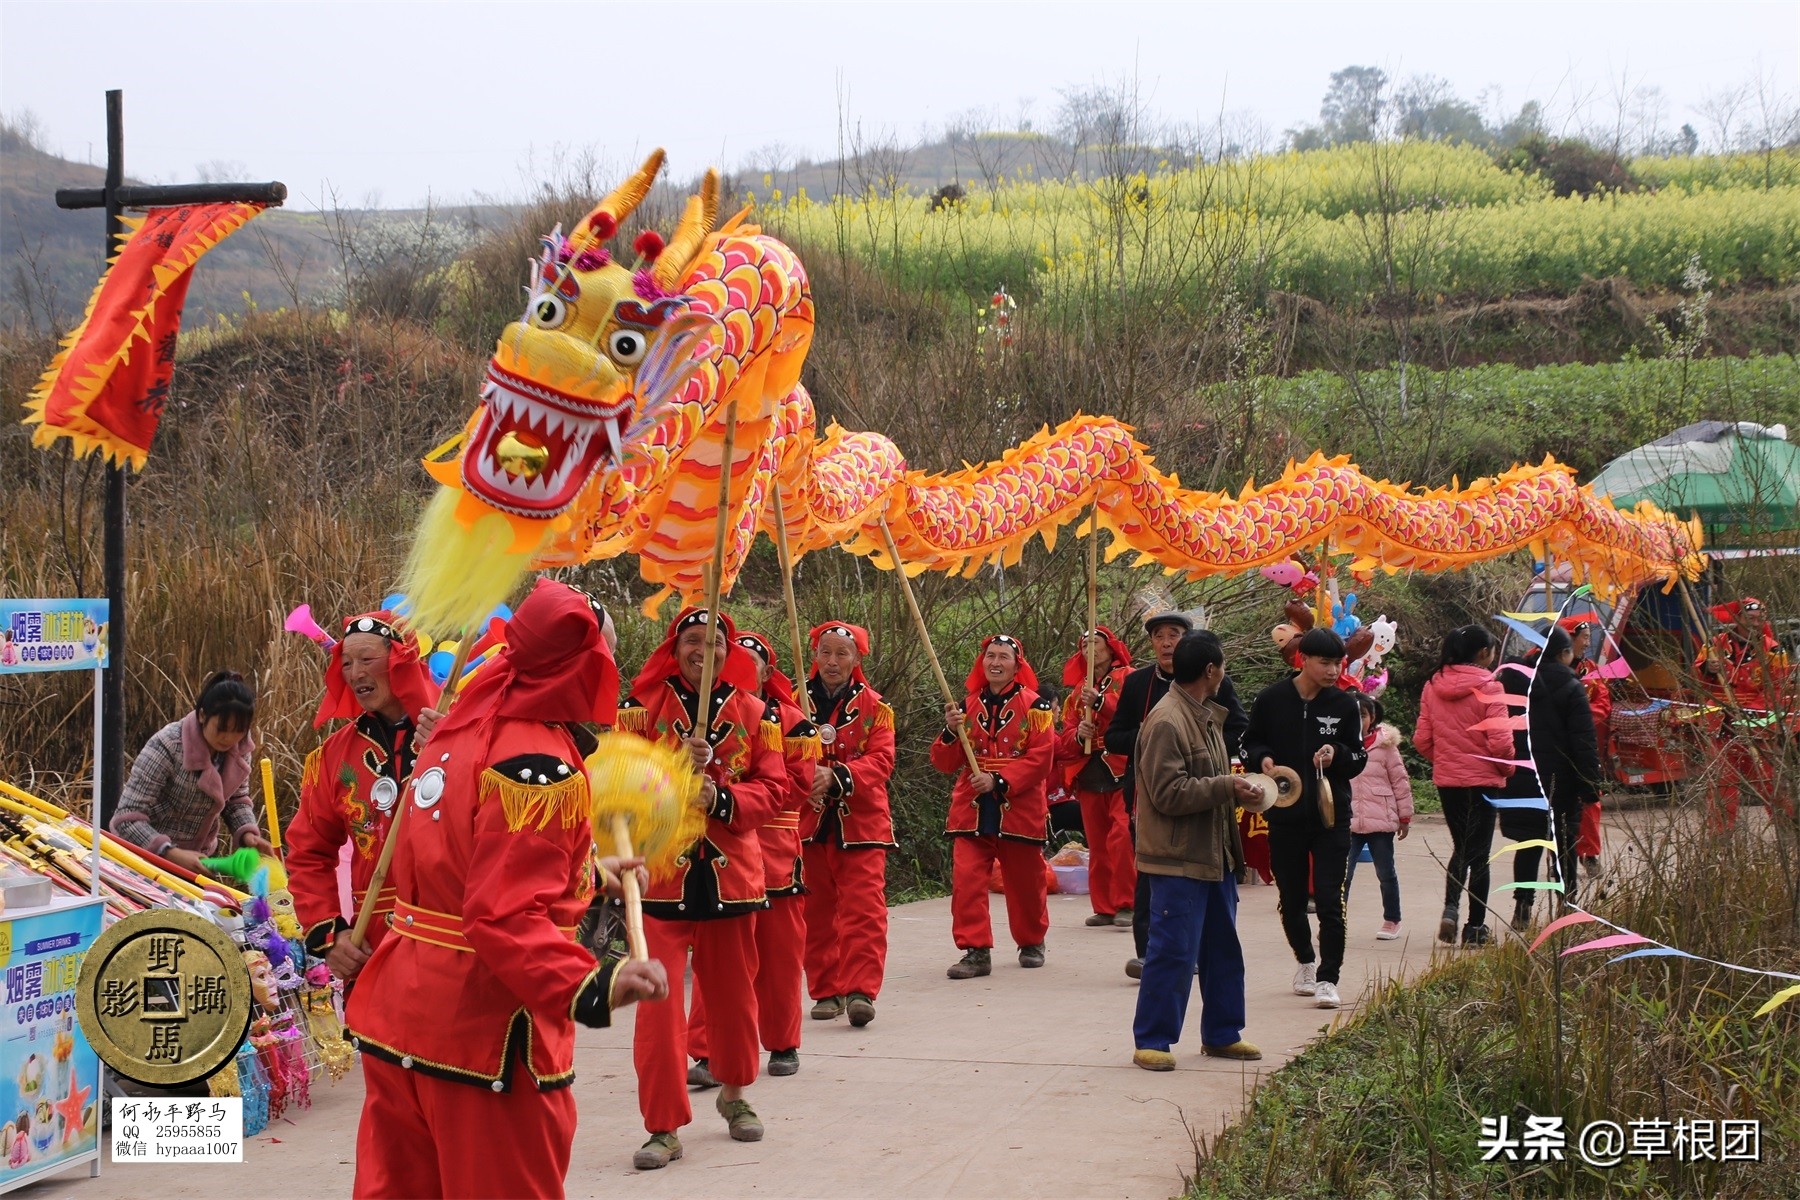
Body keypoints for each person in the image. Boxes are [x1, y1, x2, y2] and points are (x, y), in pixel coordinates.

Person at [344, 579, 668, 1199]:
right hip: (483, 1030)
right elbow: (500, 914)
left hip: (402, 1013)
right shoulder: (536, 765)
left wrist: (592, 878)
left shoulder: (457, 730)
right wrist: (593, 981)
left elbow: (457, 867)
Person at [615, 607, 787, 1171]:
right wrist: (668, 772)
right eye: (691, 640)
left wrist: (719, 798)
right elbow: (614, 786)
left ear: (727, 652)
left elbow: (774, 789)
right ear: (675, 647)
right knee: (657, 1010)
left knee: (735, 999)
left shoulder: (758, 714)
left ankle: (735, 1093)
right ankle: (662, 1126)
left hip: (732, 878)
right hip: (660, 880)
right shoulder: (638, 714)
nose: (701, 651)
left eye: (713, 642)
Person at [687, 632, 818, 1081]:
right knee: (718, 958)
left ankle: (782, 1041)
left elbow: (797, 788)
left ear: (766, 672)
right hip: (722, 851)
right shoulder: (701, 712)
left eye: (751, 662)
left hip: (775, 847)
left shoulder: (791, 721)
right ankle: (707, 1050)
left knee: (780, 955)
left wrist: (737, 796)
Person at [1130, 633, 1264, 1071]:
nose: (1223, 672)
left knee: (1222, 951)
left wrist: (1234, 791)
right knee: (1172, 951)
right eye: (1222, 665)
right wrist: (1226, 786)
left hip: (1214, 857)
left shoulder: (1204, 716)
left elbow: (1204, 784)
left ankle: (1223, 1034)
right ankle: (1153, 1039)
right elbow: (1168, 793)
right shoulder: (1167, 720)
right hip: (1176, 860)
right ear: (1211, 671)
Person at [286, 611, 439, 979]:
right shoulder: (334, 756)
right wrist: (331, 934)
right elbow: (308, 851)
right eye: (347, 662)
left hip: (449, 941)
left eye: (367, 660)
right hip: (373, 946)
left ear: (401, 660)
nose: (354, 674)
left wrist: (456, 749)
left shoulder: (462, 731)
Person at [1107, 613, 1248, 979]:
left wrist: (1202, 749)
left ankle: (1192, 952)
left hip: (1204, 801)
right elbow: (1114, 737)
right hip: (1147, 796)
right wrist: (1150, 735)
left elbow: (1237, 731)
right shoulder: (1140, 686)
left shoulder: (1217, 685)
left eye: (1175, 635)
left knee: (1200, 882)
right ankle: (1149, 953)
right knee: (1151, 874)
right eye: (1159, 636)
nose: (1167, 642)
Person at [1241, 627, 1367, 1010]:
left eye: (1338, 663)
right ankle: (1306, 962)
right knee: (1291, 899)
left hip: (1331, 817)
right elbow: (1248, 741)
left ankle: (1329, 977)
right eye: (1325, 662)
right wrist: (1260, 757)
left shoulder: (1344, 705)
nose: (1332, 671)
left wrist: (1337, 755)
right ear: (1304, 660)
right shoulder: (1271, 699)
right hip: (1283, 814)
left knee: (1330, 899)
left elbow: (1359, 757)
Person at [933, 633, 1057, 978]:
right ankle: (975, 950)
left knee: (1026, 879)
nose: (996, 662)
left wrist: (1000, 781)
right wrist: (949, 731)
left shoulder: (1036, 707)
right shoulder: (965, 705)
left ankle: (1032, 940)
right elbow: (944, 762)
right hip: (971, 802)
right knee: (967, 878)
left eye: (1003, 656)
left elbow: (1042, 759)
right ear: (982, 661)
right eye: (990, 655)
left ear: (1018, 665)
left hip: (1018, 803)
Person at [799, 621, 897, 1028]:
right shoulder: (792, 702)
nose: (832, 661)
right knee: (815, 911)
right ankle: (825, 990)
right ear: (815, 656)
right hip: (809, 821)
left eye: (842, 653)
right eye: (826, 652)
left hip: (862, 822)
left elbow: (881, 760)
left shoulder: (876, 707)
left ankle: (861, 990)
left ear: (857, 659)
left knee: (864, 910)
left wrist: (837, 777)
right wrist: (804, 780)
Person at [112, 671, 273, 870]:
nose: (229, 738)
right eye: (221, 728)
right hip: (143, 861)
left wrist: (248, 834)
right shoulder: (168, 745)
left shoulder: (239, 748)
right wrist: (170, 852)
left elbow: (236, 801)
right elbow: (127, 817)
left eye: (238, 731)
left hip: (199, 861)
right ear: (203, 715)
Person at [1414, 624, 1513, 947]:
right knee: (1480, 854)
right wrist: (1507, 768)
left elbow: (1422, 739)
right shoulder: (1491, 687)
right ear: (1484, 653)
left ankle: (1451, 908)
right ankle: (1474, 929)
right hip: (1483, 781)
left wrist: (1444, 759)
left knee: (1462, 847)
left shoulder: (1432, 686)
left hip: (1449, 782)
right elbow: (1500, 743)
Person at [1512, 626, 1604, 910]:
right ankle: (1567, 904)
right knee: (1564, 845)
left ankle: (1523, 908)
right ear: (1565, 653)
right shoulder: (1573, 687)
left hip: (1524, 775)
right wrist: (1590, 784)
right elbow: (1583, 741)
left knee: (1528, 844)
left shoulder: (1515, 683)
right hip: (1561, 780)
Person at [1053, 625, 1135, 928]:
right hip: (1090, 771)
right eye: (1084, 644)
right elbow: (1066, 734)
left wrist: (1100, 703)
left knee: (1122, 837)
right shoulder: (1077, 692)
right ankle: (1104, 906)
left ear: (1110, 647)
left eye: (1095, 642)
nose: (1090, 647)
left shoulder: (1128, 677)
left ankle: (1128, 903)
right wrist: (1078, 735)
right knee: (1097, 843)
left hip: (1122, 767)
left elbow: (1135, 714)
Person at [1696, 596, 1793, 829]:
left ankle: (1788, 829)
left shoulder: (1773, 650)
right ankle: (1721, 836)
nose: (1755, 623)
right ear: (1737, 618)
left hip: (1759, 728)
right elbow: (1697, 678)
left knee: (1771, 782)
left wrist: (1751, 714)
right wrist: (1707, 669)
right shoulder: (1715, 645)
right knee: (1722, 785)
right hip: (1722, 725)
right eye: (1750, 618)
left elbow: (1778, 688)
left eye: (1760, 619)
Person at [1344, 693, 1413, 941]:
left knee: (1386, 873)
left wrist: (1404, 817)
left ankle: (1392, 919)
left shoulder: (1386, 747)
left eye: (1362, 715)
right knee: (1342, 874)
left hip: (1381, 822)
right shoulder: (1340, 746)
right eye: (1353, 715)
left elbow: (1400, 782)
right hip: (1348, 822)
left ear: (1372, 717)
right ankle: (1335, 921)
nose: (1357, 720)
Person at [1560, 617, 1613, 879]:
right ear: (1569, 637)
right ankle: (1559, 855)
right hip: (1556, 745)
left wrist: (1579, 717)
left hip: (1583, 744)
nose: (1588, 641)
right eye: (1584, 636)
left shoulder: (1591, 669)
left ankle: (1590, 854)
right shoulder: (1544, 667)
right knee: (1556, 801)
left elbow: (1603, 703)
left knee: (1590, 799)